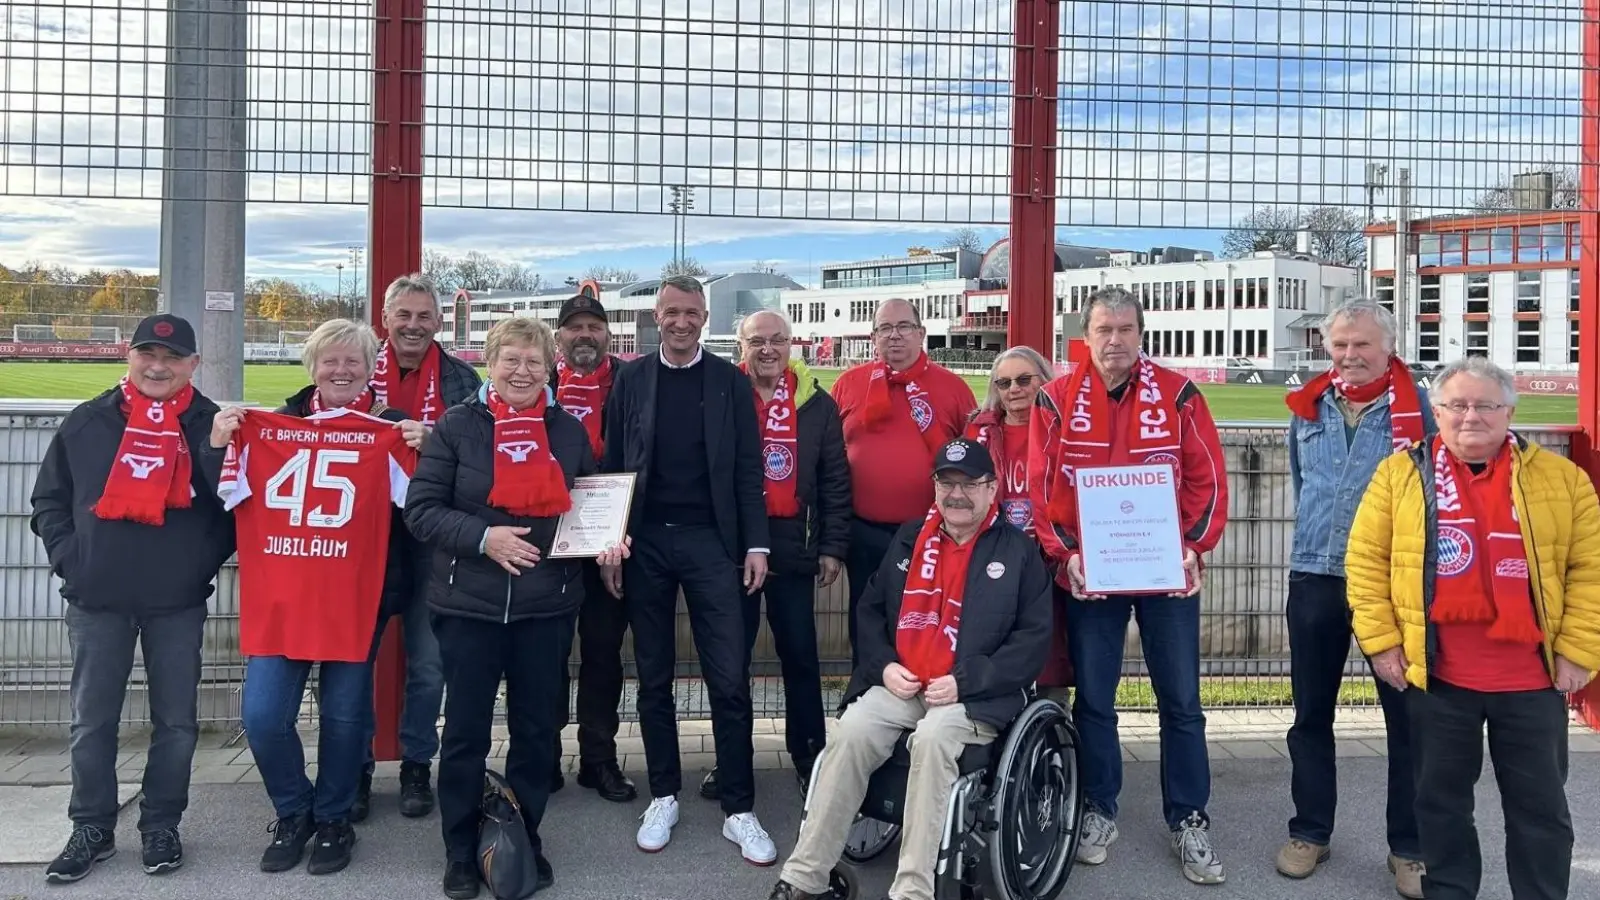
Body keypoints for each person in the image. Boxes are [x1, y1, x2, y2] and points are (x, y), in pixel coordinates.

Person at [1345, 356, 1600, 900]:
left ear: (1509, 412)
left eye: (1485, 405)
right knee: (1440, 807)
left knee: (1541, 812)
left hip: (1532, 680)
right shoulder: (1399, 475)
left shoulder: (1562, 479)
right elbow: (1366, 565)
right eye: (1457, 405)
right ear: (1435, 411)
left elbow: (1590, 572)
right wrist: (1384, 645)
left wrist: (1579, 651)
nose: (1471, 416)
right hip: (1440, 679)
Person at [764, 438, 1051, 900]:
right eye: (946, 483)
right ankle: (806, 876)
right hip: (905, 681)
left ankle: (913, 889)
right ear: (934, 486)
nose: (956, 494)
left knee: (934, 739)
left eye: (970, 484)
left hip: (973, 694)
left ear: (992, 488)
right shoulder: (910, 536)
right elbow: (871, 609)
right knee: (851, 731)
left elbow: (1032, 641)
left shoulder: (1018, 552)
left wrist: (965, 682)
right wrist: (883, 666)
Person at [404, 317, 628, 900]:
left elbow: (585, 507)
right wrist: (485, 537)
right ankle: (459, 848)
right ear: (490, 362)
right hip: (469, 609)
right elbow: (422, 511)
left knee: (535, 734)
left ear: (549, 365)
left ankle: (524, 834)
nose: (522, 372)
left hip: (545, 608)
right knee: (465, 735)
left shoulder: (568, 430)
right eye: (511, 360)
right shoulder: (456, 426)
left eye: (533, 362)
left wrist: (609, 539)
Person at [1027, 286, 1229, 884]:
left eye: (1124, 329)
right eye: (1103, 330)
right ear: (1086, 337)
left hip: (1165, 570)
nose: (1114, 340)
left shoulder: (1179, 394)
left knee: (1182, 701)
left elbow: (1207, 477)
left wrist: (1193, 549)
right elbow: (1042, 488)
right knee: (1094, 697)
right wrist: (1066, 558)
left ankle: (1189, 816)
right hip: (1093, 571)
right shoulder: (1056, 398)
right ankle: (1098, 807)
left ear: (1141, 334)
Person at [209, 319, 424, 876]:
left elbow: (424, 508)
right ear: (311, 366)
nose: (342, 370)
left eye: (354, 361)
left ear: (371, 366)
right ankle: (293, 809)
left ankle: (333, 819)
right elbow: (224, 496)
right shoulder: (270, 426)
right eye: (331, 360)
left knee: (345, 717)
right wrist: (220, 445)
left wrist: (428, 450)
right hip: (283, 599)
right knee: (262, 717)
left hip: (357, 598)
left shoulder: (391, 429)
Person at [29, 314, 235, 883]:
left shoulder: (212, 424)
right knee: (92, 721)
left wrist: (197, 565)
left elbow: (234, 508)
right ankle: (91, 826)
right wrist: (74, 560)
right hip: (98, 598)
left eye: (172, 358)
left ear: (193, 364)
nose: (158, 366)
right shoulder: (88, 421)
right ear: (130, 355)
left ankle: (161, 824)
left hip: (177, 600)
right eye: (148, 354)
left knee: (177, 722)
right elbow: (48, 500)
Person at [598, 275, 775, 862]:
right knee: (653, 677)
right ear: (657, 316)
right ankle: (665, 793)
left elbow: (749, 470)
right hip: (645, 542)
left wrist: (757, 545)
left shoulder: (729, 382)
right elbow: (614, 464)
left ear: (705, 318)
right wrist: (612, 541)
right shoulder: (631, 379)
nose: (680, 321)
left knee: (728, 678)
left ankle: (739, 806)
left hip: (713, 545)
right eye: (671, 312)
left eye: (691, 312)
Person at [1278, 300, 1433, 896]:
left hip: (1394, 585)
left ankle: (1410, 848)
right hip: (1315, 576)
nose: (1349, 356)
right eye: (1339, 345)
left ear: (1388, 346)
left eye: (1362, 345)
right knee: (1311, 713)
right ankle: (1310, 831)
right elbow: (1304, 482)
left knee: (1407, 718)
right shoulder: (1308, 407)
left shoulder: (1420, 410)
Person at [700, 309, 850, 801]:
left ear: (792, 346)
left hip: (793, 545)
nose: (768, 349)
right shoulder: (721, 394)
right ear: (740, 346)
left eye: (778, 340)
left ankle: (810, 757)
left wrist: (831, 545)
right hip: (731, 545)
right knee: (730, 660)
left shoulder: (817, 405)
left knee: (801, 659)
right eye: (757, 341)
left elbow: (833, 481)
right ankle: (731, 763)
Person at [357, 273, 482, 822]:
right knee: (352, 662)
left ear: (438, 321)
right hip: (360, 539)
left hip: (431, 539)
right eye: (402, 315)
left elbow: (482, 460)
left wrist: (438, 448)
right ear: (385, 318)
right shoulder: (353, 364)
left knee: (429, 665)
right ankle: (352, 767)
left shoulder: (462, 378)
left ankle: (415, 765)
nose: (412, 325)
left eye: (423, 316)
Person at [832, 299, 975, 665]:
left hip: (932, 534)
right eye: (885, 328)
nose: (894, 335)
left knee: (925, 621)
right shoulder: (849, 385)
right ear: (873, 336)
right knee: (866, 618)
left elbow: (975, 461)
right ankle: (865, 695)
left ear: (921, 333)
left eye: (904, 327)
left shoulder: (953, 389)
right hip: (863, 530)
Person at [549, 292, 636, 802]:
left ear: (607, 334)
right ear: (559, 336)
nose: (585, 334)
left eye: (593, 326)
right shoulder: (539, 379)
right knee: (548, 654)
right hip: (549, 537)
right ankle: (545, 754)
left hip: (611, 538)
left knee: (604, 651)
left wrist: (622, 534)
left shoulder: (630, 380)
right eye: (574, 327)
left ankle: (599, 758)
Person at [964, 346, 1070, 690]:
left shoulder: (1068, 430)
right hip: (998, 558)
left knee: (1053, 654)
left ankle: (1055, 728)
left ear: (1045, 380)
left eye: (1024, 379)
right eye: (1004, 382)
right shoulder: (978, 432)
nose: (1013, 389)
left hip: (1054, 559)